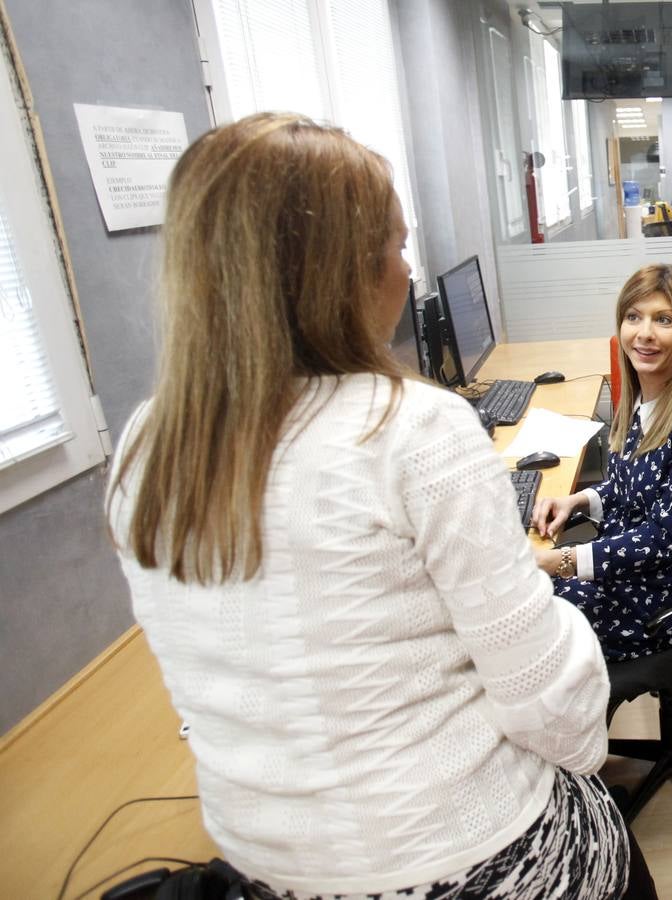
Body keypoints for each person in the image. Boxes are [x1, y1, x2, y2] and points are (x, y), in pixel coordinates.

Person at [107, 114, 629, 899]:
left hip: (267, 865)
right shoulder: (411, 428)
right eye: (394, 246)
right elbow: (551, 707)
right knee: (607, 825)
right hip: (455, 855)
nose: (406, 270)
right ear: (338, 272)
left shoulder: (152, 441)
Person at [533, 264, 672, 661]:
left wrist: (560, 561)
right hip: (634, 572)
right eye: (634, 317)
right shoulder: (644, 389)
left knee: (517, 617)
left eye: (663, 320)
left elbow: (663, 538)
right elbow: (628, 485)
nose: (644, 333)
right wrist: (577, 501)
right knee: (511, 605)